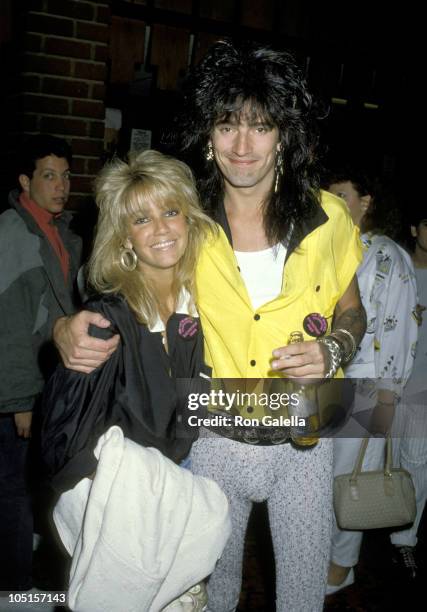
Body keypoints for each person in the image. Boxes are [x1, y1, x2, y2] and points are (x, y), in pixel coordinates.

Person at [53, 41, 366, 611]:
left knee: (303, 597)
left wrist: (336, 348)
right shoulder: (187, 220)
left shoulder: (330, 217)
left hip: (305, 432)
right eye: (227, 126)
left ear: (284, 136)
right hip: (213, 436)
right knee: (210, 594)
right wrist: (64, 326)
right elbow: (124, 277)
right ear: (207, 135)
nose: (242, 146)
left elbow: (353, 308)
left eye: (261, 127)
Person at [41, 150, 229, 610]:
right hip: (124, 510)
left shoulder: (206, 306)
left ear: (189, 219)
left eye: (170, 212)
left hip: (184, 493)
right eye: (141, 220)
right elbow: (61, 448)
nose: (162, 229)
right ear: (125, 238)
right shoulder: (107, 320)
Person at [325, 169, 418, 593]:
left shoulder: (387, 256)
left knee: (352, 481)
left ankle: (342, 566)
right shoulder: (326, 247)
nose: (332, 202)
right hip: (323, 380)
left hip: (364, 384)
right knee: (321, 481)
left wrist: (388, 394)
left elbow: (400, 328)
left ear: (366, 203)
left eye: (341, 195)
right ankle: (320, 557)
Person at [0, 134, 81, 592]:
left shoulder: (58, 229)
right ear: (26, 181)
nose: (60, 185)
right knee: (11, 489)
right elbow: (9, 325)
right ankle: (15, 588)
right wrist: (18, 400)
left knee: (35, 485)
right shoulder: (14, 231)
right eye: (49, 176)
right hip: (21, 387)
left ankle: (27, 563)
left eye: (66, 175)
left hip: (47, 380)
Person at [389, 212, 427, 580]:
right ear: (414, 228)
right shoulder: (395, 264)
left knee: (416, 463)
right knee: (371, 462)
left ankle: (405, 540)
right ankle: (355, 528)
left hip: (421, 389)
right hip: (382, 382)